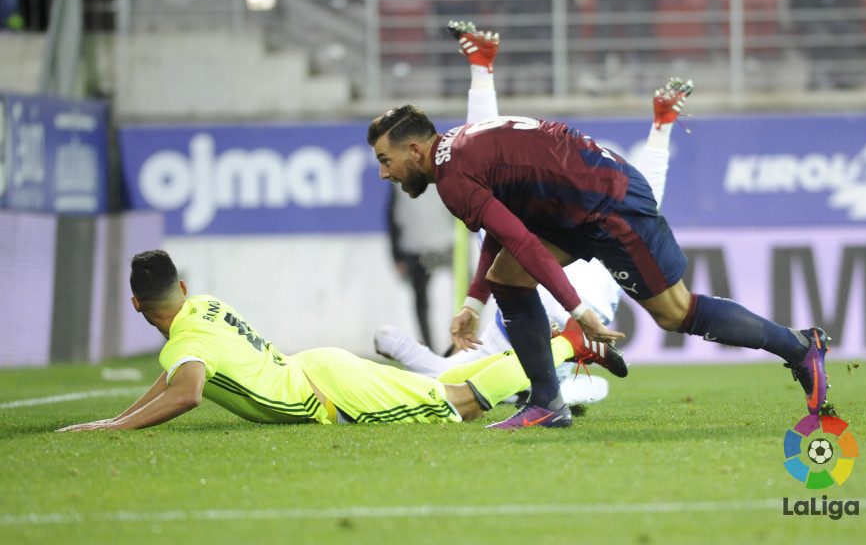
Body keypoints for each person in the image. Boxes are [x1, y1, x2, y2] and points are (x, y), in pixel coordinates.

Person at [367, 73, 834, 432]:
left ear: (413, 149)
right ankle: (547, 404)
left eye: (386, 161)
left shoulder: (452, 178)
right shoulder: (461, 146)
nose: (385, 174)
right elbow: (506, 231)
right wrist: (474, 302)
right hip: (578, 204)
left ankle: (799, 347)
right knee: (506, 278)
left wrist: (578, 310)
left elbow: (524, 240)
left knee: (676, 314)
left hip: (609, 206)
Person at [376, 20, 692, 406]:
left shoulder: (483, 357)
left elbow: (420, 359)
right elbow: (407, 351)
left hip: (575, 298)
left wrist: (466, 310)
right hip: (574, 298)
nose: (384, 172)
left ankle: (661, 126)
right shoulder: (484, 360)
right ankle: (482, 67)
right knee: (476, 167)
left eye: (384, 161)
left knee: (475, 176)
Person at [56, 250, 604, 432]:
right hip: (320, 367)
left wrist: (118, 426)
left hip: (330, 394)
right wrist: (121, 416)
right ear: (180, 286)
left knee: (456, 406)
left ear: (136, 305)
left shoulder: (182, 347)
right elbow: (175, 377)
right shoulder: (202, 308)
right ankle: (566, 343)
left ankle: (565, 345)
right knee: (442, 383)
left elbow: (188, 391)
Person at [386, 181, 455, 351]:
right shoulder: (398, 179)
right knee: (422, 302)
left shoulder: (445, 171)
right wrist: (397, 256)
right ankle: (430, 350)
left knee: (469, 296)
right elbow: (393, 216)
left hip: (447, 245)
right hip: (421, 249)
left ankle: (458, 344)